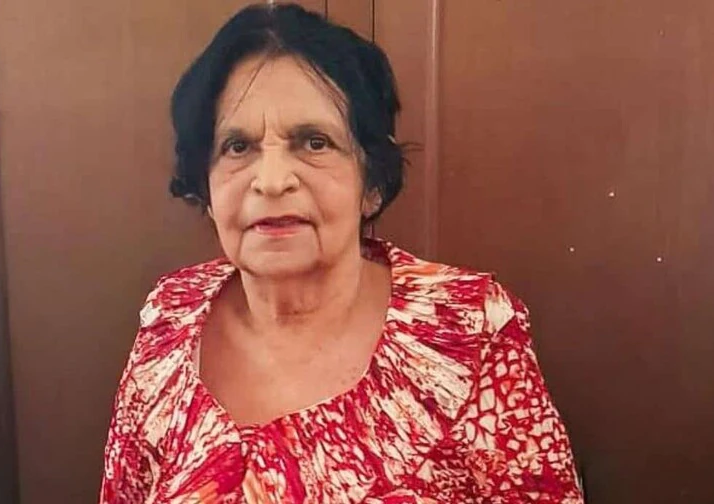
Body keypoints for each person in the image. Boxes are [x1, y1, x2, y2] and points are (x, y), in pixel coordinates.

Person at [99, 3, 583, 503]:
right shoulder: (170, 319)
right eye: (237, 147)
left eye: (314, 142)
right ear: (206, 183)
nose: (272, 181)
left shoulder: (470, 331)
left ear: (371, 182)